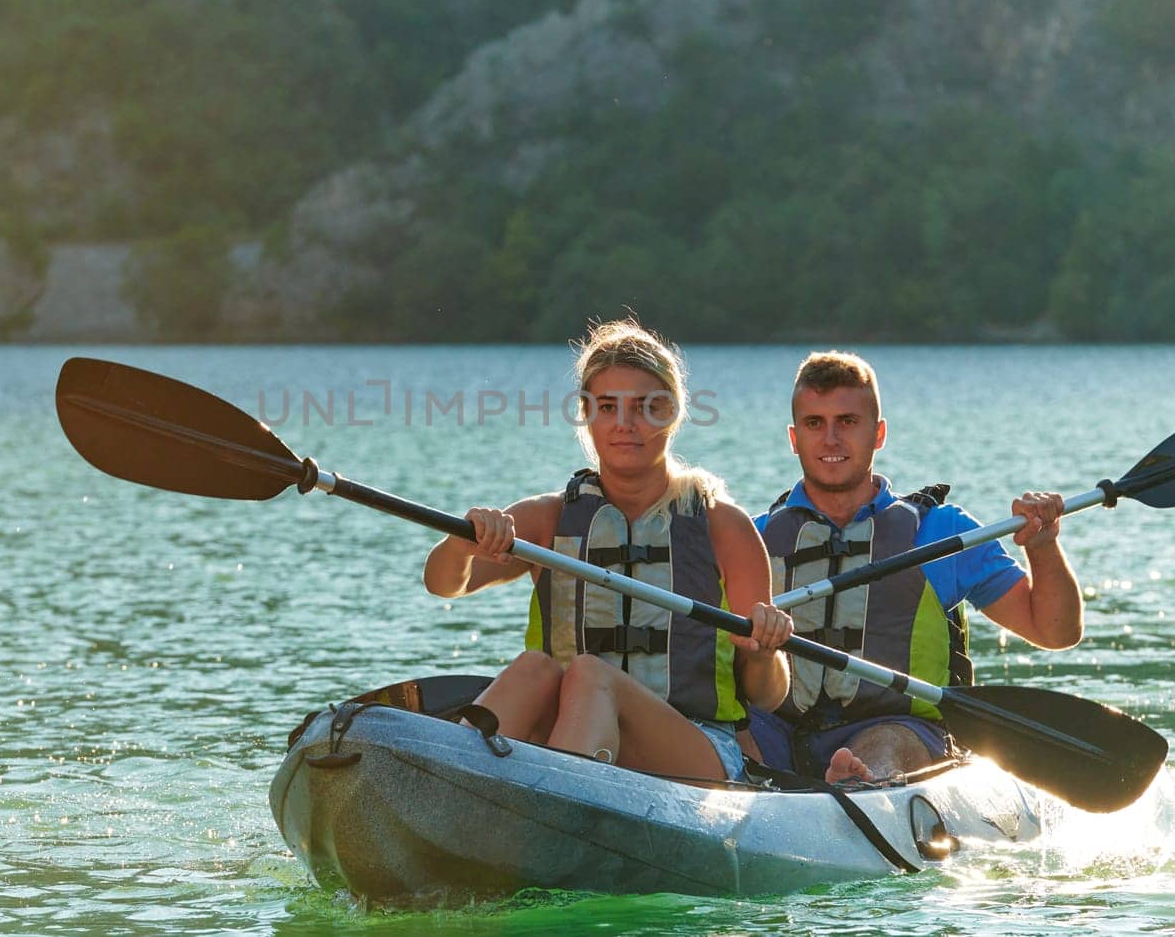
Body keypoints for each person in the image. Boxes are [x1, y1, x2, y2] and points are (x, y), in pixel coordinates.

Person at [423, 319, 794, 784]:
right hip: (570, 737)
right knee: (536, 668)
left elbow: (769, 696)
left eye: (646, 407)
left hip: (695, 750)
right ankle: (447, 790)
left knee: (589, 675)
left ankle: (552, 807)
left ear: (673, 413)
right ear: (587, 414)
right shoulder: (547, 519)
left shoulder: (724, 526)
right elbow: (442, 582)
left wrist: (762, 652)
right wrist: (462, 542)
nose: (625, 425)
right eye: (607, 407)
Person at [746, 351, 1082, 785]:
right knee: (728, 732)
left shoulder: (942, 533)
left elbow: (1055, 632)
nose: (830, 440)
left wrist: (1043, 546)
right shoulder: (753, 539)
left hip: (900, 730)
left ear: (878, 433)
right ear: (794, 438)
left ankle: (858, 782)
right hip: (778, 731)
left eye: (847, 421)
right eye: (815, 424)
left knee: (885, 746)